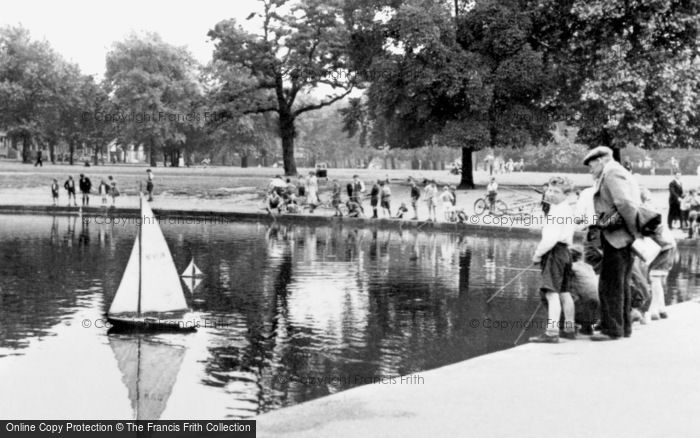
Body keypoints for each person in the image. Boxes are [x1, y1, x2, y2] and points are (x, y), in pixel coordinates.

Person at [584, 146, 641, 341]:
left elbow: (625, 203)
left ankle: (612, 329)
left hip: (617, 238)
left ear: (601, 160)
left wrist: (634, 232)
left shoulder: (612, 173)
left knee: (610, 285)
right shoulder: (616, 172)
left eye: (591, 165)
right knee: (620, 284)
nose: (590, 169)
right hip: (620, 237)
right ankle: (623, 327)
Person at [529, 176, 576, 343]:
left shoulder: (556, 211)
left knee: (551, 293)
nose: (551, 193)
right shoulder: (567, 208)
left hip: (555, 253)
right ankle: (569, 330)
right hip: (566, 253)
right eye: (549, 189)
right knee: (565, 292)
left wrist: (537, 254)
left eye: (556, 191)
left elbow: (550, 238)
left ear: (566, 194)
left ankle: (552, 332)